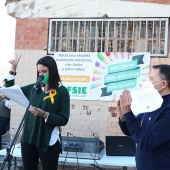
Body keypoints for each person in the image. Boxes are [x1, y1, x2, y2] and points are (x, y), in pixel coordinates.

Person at [8, 55, 70, 170]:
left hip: (48, 140)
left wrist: (44, 114)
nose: (41, 75)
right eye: (39, 72)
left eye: (44, 71)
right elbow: (10, 91)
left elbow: (64, 119)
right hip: (29, 138)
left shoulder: (62, 92)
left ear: (53, 71)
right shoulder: (34, 88)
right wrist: (13, 70)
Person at [117, 64, 170, 170]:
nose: (147, 83)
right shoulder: (152, 103)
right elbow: (134, 132)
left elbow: (147, 143)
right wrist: (123, 118)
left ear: (163, 84)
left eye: (151, 79)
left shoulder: (167, 109)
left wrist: (128, 114)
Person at [0, 79, 12, 150]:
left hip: (4, 116)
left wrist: (3, 97)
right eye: (3, 85)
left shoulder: (9, 94)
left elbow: (10, 105)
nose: (4, 86)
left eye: (5, 85)